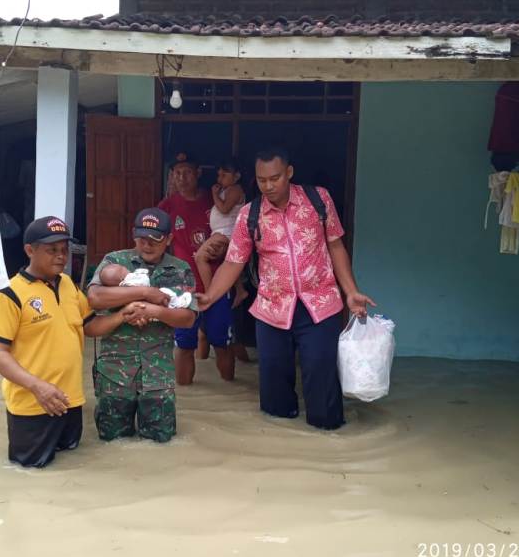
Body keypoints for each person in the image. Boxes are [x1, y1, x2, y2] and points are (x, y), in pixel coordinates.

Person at [197, 148, 376, 430]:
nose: (268, 186)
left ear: (289, 173)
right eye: (261, 180)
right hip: (271, 309)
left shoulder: (319, 199)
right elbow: (233, 262)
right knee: (275, 397)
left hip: (320, 305)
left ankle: (328, 437)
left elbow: (335, 245)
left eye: (275, 178)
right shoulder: (249, 214)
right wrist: (210, 295)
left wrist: (351, 291)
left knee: (321, 382)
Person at [0, 216, 124, 468]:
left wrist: (123, 315)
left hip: (70, 401)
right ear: (30, 250)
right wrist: (37, 386)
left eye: (64, 250)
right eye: (52, 250)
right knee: (30, 474)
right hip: (33, 404)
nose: (61, 256)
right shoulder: (9, 295)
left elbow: (89, 326)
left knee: (70, 463)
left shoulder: (69, 285)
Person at [86, 208, 197, 442]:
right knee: (111, 444)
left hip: (158, 377)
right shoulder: (115, 261)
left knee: (160, 443)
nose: (146, 245)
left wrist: (153, 310)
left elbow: (188, 319)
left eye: (154, 240)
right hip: (114, 374)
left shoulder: (180, 269)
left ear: (168, 239)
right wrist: (145, 293)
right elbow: (95, 298)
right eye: (141, 239)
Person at [157, 154, 235, 385]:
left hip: (217, 284)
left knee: (222, 344)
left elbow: (233, 230)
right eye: (177, 173)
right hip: (183, 287)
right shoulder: (167, 205)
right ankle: (187, 396)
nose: (182, 178)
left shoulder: (214, 201)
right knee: (184, 345)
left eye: (187, 172)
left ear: (198, 172)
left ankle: (229, 394)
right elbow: (154, 242)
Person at [194, 158, 248, 308]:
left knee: (200, 257)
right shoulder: (226, 189)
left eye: (224, 175)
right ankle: (240, 290)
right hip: (222, 232)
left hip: (226, 232)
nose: (220, 178)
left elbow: (225, 209)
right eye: (219, 175)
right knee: (229, 261)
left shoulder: (235, 189)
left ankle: (210, 294)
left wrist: (214, 194)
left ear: (236, 176)